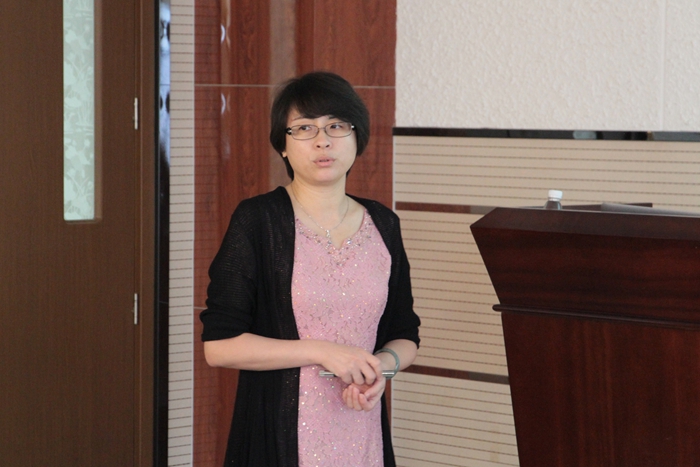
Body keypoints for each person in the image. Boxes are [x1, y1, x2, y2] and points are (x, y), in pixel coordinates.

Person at [200, 71, 421, 467]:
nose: (323, 140)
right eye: (304, 128)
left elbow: (404, 334)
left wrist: (380, 371)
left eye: (336, 125)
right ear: (283, 146)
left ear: (357, 137)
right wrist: (323, 352)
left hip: (361, 436)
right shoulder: (258, 221)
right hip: (278, 436)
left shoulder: (384, 224)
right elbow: (219, 346)